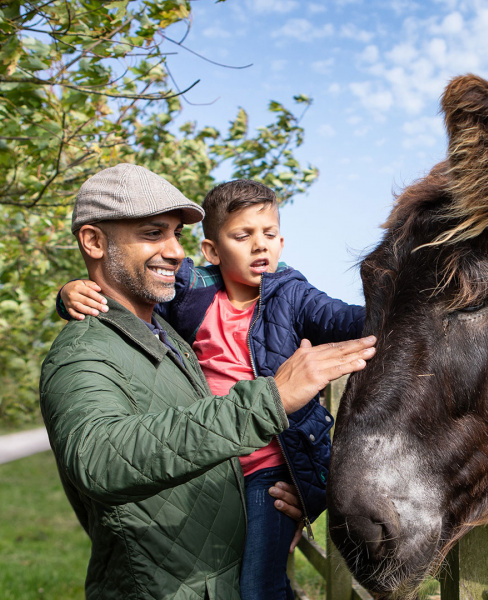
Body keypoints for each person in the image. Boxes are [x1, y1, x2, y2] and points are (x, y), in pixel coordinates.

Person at [41, 163, 376, 600]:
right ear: (93, 241)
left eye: (176, 234)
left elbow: (346, 319)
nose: (176, 252)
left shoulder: (169, 335)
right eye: (152, 233)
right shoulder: (94, 347)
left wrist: (294, 491)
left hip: (257, 497)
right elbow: (100, 458)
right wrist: (69, 295)